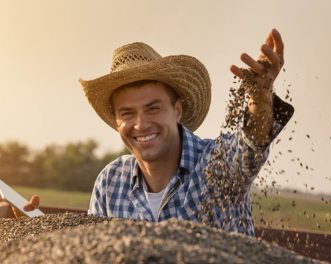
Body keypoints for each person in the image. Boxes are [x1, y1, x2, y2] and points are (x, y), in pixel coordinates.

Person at [19, 28, 293, 236]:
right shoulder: (110, 182)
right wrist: (40, 232)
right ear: (116, 121)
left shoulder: (217, 164)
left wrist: (260, 96)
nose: (141, 124)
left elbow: (250, 147)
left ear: (177, 110)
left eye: (153, 108)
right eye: (127, 113)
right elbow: (94, 249)